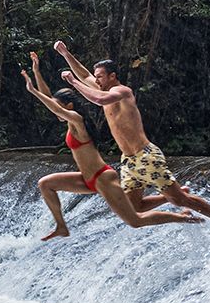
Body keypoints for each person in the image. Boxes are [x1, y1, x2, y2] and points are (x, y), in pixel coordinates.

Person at [51, 39, 210, 235]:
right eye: (96, 77)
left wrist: (73, 83)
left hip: (146, 156)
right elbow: (85, 74)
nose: (96, 81)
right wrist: (65, 53)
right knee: (135, 206)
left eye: (100, 77)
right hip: (129, 160)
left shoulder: (121, 91)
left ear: (112, 76)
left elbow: (99, 99)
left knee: (180, 200)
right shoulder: (101, 86)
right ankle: (174, 196)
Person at [23, 55, 199, 240]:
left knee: (135, 220)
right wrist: (36, 71)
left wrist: (33, 91)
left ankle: (183, 217)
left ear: (69, 106)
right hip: (86, 179)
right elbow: (53, 102)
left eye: (58, 107)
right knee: (45, 184)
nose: (53, 111)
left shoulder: (76, 120)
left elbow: (57, 108)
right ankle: (61, 226)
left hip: (102, 178)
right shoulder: (68, 121)